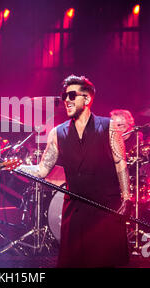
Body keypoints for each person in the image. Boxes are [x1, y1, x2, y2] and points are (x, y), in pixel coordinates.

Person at [19, 75, 131, 267]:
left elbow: (121, 163)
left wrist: (127, 196)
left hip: (106, 206)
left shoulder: (109, 127)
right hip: (75, 209)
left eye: (72, 95)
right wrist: (15, 167)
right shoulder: (57, 133)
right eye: (64, 96)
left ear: (87, 99)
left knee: (107, 262)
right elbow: (42, 170)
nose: (66, 100)